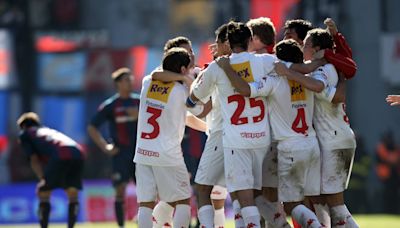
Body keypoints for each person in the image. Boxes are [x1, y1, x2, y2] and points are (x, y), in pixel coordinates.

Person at [189, 21, 277, 228]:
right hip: (262, 137)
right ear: (249, 40)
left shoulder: (217, 68)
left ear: (227, 43)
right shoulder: (265, 61)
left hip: (233, 138)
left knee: (225, 193)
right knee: (251, 195)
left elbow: (193, 98)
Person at [280, 28, 359, 227]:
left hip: (334, 140)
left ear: (316, 49)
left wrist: (287, 72)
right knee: (322, 200)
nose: (302, 47)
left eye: (306, 44)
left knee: (336, 206)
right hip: (332, 139)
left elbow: (325, 90)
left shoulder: (325, 71)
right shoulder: (323, 67)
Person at [134, 47, 206, 228]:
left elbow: (184, 118)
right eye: (189, 67)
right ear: (182, 70)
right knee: (183, 201)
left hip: (143, 153)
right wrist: (192, 84)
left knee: (146, 204)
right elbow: (201, 111)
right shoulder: (181, 92)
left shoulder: (147, 82)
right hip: (168, 155)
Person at [87, 67, 139, 228]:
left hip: (140, 152)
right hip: (121, 153)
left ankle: (146, 222)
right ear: (117, 84)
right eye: (126, 80)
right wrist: (105, 147)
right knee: (120, 190)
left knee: (145, 191)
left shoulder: (140, 101)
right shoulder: (111, 105)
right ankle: (121, 225)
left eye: (131, 79)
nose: (130, 83)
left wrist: (140, 115)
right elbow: (92, 127)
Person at [17, 112, 85, 228]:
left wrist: (42, 178)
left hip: (61, 154)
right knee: (72, 192)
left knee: (43, 191)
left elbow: (34, 159)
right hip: (78, 152)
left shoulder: (26, 134)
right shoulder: (48, 131)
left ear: (23, 126)